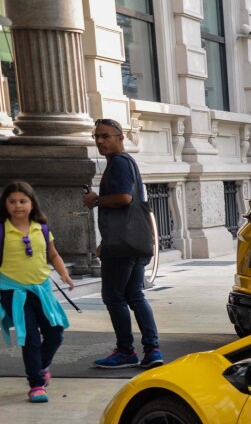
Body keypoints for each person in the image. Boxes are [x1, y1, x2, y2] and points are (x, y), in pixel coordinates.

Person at [83, 118, 162, 369]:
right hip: (135, 241)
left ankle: (126, 351)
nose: (100, 141)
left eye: (105, 136)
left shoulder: (118, 163)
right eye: (97, 136)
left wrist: (95, 201)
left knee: (114, 296)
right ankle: (152, 350)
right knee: (135, 295)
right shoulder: (128, 163)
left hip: (123, 246)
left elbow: (124, 199)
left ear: (120, 137)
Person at [0, 182, 73, 403]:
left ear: (32, 204)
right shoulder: (2, 230)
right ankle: (36, 385)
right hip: (14, 292)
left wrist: (64, 275)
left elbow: (53, 255)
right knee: (30, 338)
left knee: (55, 332)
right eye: (12, 201)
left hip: (42, 290)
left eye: (23, 201)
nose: (17, 206)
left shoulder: (42, 228)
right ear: (5, 204)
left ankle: (40, 367)